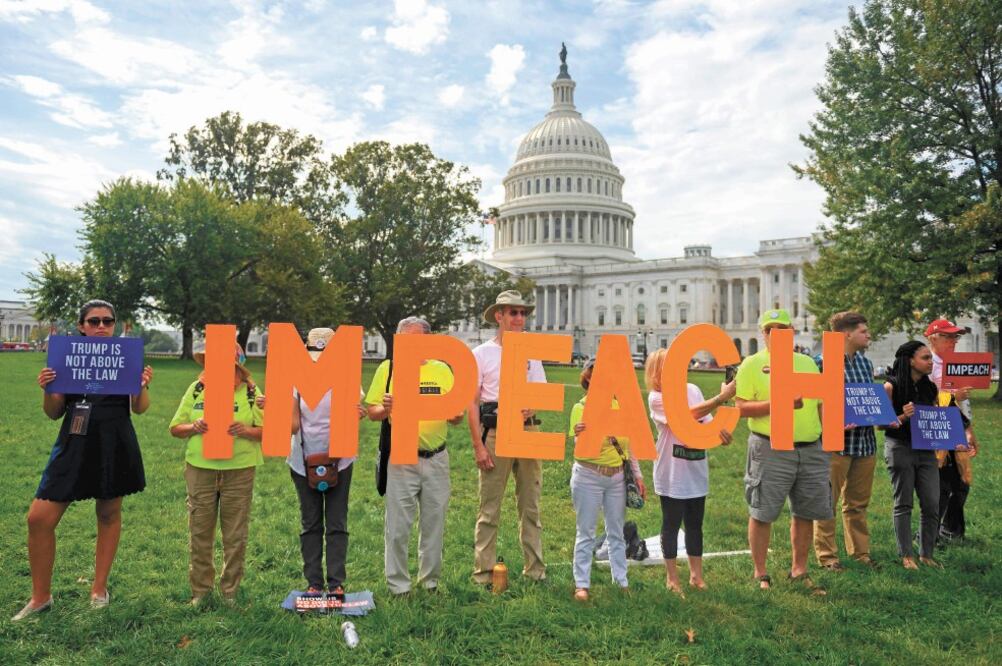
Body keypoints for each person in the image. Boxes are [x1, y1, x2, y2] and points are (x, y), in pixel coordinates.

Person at [14, 300, 153, 621]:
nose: (101, 327)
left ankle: (99, 588)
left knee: (108, 513)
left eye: (107, 321)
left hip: (114, 441)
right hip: (74, 442)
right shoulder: (64, 357)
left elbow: (141, 407)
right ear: (81, 326)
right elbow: (53, 413)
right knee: (39, 518)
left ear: (115, 325)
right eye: (93, 321)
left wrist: (142, 386)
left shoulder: (125, 357)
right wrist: (48, 389)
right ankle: (40, 598)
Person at [366, 317, 463, 595]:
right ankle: (398, 585)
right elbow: (372, 413)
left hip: (436, 457)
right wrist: (384, 409)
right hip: (402, 456)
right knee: (397, 526)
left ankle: (429, 581)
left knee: (434, 523)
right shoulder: (389, 369)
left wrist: (455, 415)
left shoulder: (442, 370)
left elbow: (456, 416)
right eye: (405, 339)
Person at [735, 309, 831, 593]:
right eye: (770, 329)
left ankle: (799, 569)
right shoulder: (751, 364)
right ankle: (760, 572)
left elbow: (821, 402)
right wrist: (779, 404)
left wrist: (833, 429)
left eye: (782, 328)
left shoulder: (807, 363)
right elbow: (740, 408)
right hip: (770, 446)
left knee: (805, 512)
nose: (776, 334)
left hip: (811, 447)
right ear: (762, 334)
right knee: (763, 511)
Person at [169, 341, 263, 606]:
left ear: (235, 366)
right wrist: (193, 426)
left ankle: (230, 590)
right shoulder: (198, 389)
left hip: (239, 470)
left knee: (235, 534)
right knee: (200, 530)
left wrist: (246, 431)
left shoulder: (252, 392)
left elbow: (270, 432)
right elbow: (175, 428)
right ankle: (201, 591)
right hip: (201, 468)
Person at [468, 290, 547, 584]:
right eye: (512, 312)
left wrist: (533, 404)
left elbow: (540, 389)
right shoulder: (481, 354)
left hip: (528, 430)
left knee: (531, 504)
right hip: (495, 432)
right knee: (489, 508)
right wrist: (478, 446)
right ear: (499, 316)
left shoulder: (531, 351)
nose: (519, 318)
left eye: (522, 313)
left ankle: (535, 570)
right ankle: (484, 572)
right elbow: (472, 403)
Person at [645, 348, 734, 596]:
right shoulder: (656, 397)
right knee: (671, 524)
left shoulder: (692, 390)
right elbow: (685, 417)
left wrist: (720, 433)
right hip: (671, 470)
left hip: (695, 466)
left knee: (695, 524)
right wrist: (719, 399)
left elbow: (704, 423)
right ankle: (672, 578)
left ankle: (696, 576)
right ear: (657, 372)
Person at [285, 328, 366, 596]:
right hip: (301, 459)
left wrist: (358, 414)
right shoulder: (294, 378)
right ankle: (313, 583)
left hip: (340, 459)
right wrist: (275, 408)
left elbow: (353, 412)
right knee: (310, 523)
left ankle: (336, 583)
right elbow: (294, 425)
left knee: (337, 522)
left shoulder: (347, 376)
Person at [882, 341, 970, 569]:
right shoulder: (890, 386)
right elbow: (882, 424)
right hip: (900, 448)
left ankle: (926, 554)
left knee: (931, 503)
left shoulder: (929, 387)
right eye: (925, 358)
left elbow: (938, 415)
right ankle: (906, 555)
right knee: (904, 503)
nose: (931, 363)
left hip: (927, 451)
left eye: (931, 358)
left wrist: (958, 436)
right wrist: (902, 416)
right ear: (911, 360)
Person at [566, 358, 646, 601]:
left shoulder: (621, 406)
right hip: (589, 475)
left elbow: (629, 446)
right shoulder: (580, 407)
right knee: (586, 531)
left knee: (616, 531)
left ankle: (621, 581)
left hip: (616, 477)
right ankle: (582, 584)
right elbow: (580, 448)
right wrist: (584, 432)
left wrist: (638, 475)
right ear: (588, 377)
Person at [813, 312, 879, 571]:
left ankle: (860, 553)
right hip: (835, 444)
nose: (869, 335)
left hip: (864, 442)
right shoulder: (821, 363)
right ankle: (828, 557)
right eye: (864, 331)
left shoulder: (865, 364)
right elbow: (812, 404)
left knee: (858, 503)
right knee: (826, 501)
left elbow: (867, 399)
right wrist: (830, 423)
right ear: (846, 334)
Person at [924, 319, 979, 542]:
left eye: (955, 337)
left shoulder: (955, 364)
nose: (954, 341)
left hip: (958, 426)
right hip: (937, 430)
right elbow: (925, 401)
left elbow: (963, 404)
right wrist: (953, 397)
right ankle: (929, 535)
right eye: (948, 336)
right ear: (932, 338)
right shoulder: (927, 366)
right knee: (942, 485)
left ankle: (951, 531)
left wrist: (969, 429)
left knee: (962, 482)